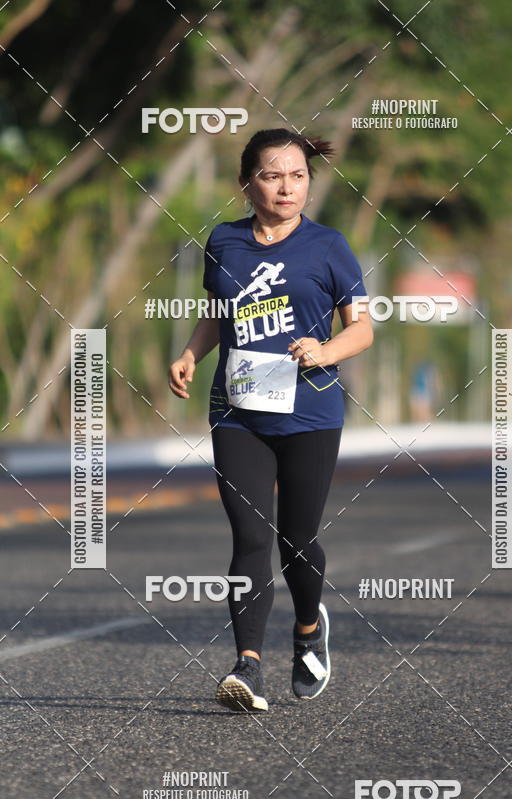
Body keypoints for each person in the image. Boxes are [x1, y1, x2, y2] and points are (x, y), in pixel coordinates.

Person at [168, 128, 373, 711]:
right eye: (273, 175)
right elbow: (218, 315)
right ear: (247, 183)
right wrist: (189, 354)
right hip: (237, 410)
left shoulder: (330, 247)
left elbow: (362, 327)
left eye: (298, 175)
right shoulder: (225, 242)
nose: (288, 187)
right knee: (250, 535)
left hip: (310, 410)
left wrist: (326, 351)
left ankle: (309, 627)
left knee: (296, 539)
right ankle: (248, 666)